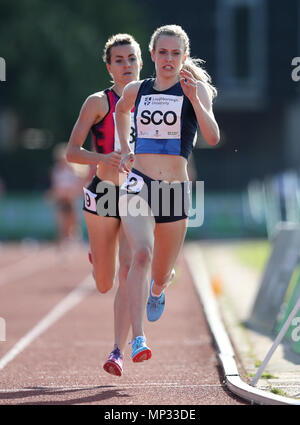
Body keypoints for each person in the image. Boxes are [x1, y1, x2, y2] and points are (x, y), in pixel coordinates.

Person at [115, 24, 220, 361]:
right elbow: (120, 110)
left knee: (159, 273)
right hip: (138, 183)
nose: (169, 59)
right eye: (163, 52)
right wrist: (125, 146)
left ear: (184, 56)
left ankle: (158, 289)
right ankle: (138, 339)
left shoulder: (196, 90)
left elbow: (213, 136)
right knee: (140, 255)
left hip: (174, 190)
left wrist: (194, 100)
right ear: (153, 55)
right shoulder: (137, 89)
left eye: (176, 53)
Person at [66, 34, 143, 376]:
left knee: (129, 268)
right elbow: (71, 152)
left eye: (132, 59)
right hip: (102, 193)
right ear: (109, 66)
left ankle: (118, 351)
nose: (127, 65)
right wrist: (104, 157)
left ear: (141, 62)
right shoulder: (98, 102)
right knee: (103, 281)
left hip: (135, 196)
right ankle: (98, 258)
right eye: (119, 60)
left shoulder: (154, 100)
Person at [48, 142, 87, 246]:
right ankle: (63, 238)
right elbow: (55, 185)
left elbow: (80, 183)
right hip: (62, 199)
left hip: (72, 198)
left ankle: (75, 237)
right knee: (61, 219)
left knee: (73, 219)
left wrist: (72, 193)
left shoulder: (74, 169)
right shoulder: (56, 170)